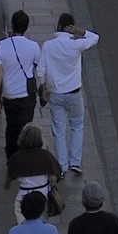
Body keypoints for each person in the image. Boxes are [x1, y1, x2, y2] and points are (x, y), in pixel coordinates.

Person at [40, 12, 98, 176]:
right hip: (74, 93)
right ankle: (75, 162)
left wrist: (43, 87)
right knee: (77, 126)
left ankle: (61, 166)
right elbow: (94, 38)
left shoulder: (48, 45)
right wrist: (79, 31)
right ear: (70, 28)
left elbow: (40, 70)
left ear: (58, 26)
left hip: (55, 93)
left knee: (59, 130)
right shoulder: (75, 45)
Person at [0, 8, 43, 151]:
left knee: (11, 126)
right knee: (25, 127)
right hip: (27, 95)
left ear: (12, 26)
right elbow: (39, 70)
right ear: (26, 27)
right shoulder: (33, 46)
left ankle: (11, 156)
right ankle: (26, 155)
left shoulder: (1, 45)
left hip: (9, 94)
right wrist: (44, 86)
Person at [6, 120, 64, 209]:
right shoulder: (46, 156)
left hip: (23, 196)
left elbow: (10, 174)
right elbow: (56, 174)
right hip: (43, 195)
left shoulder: (17, 158)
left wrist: (7, 185)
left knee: (22, 220)